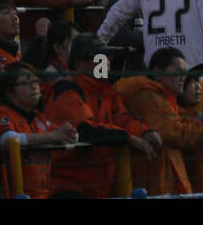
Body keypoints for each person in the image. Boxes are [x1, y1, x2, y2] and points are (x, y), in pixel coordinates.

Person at [116, 49, 203, 195]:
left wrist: (199, 121)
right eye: (178, 72)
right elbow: (175, 133)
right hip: (154, 184)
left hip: (162, 182)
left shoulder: (162, 99)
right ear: (158, 72)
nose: (183, 78)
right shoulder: (149, 98)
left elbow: (175, 126)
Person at [44, 35, 160, 197]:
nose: (106, 62)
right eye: (100, 57)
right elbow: (83, 129)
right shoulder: (67, 89)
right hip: (67, 185)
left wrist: (145, 132)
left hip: (99, 185)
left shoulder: (106, 90)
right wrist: (127, 137)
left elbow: (122, 119)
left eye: (107, 57)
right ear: (78, 63)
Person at [0, 64, 78, 199]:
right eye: (26, 82)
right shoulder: (0, 115)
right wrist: (52, 136)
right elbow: (8, 139)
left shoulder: (38, 117)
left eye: (35, 81)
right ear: (9, 92)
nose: (34, 86)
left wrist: (70, 133)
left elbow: (66, 137)